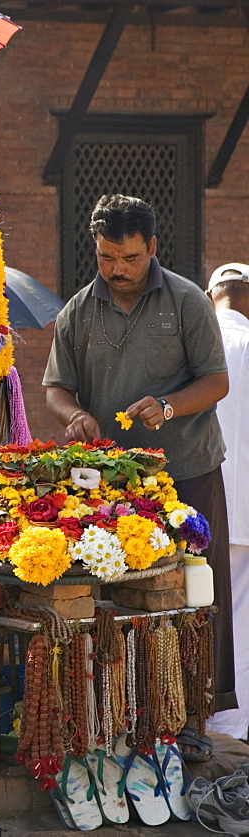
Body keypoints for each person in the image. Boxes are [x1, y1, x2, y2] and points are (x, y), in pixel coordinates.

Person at [42, 194, 235, 757]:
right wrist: (72, 414)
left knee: (196, 596)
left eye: (128, 257)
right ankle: (123, 719)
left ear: (151, 247)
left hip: (189, 474)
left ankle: (196, 718)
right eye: (106, 258)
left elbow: (216, 381)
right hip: (111, 485)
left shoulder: (188, 301)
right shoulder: (79, 310)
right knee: (120, 601)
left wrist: (171, 406)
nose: (118, 270)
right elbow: (56, 388)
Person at [206, 263, 249, 741]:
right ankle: (231, 728)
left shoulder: (194, 340)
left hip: (195, 503)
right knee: (239, 616)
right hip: (243, 506)